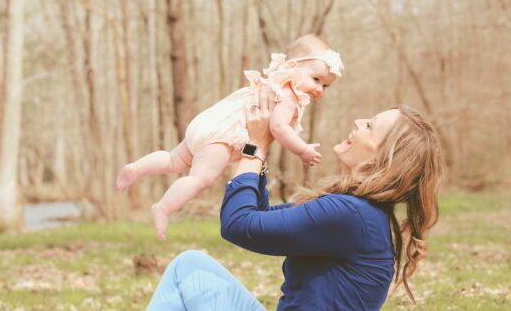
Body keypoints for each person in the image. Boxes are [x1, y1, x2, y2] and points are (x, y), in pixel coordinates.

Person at [146, 86, 443, 310]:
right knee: (191, 267)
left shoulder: (351, 215)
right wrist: (258, 154)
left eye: (370, 126)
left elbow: (238, 224)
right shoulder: (359, 213)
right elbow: (261, 222)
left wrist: (255, 146)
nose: (358, 121)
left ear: (382, 159)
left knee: (188, 269)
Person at [116, 35, 344, 240]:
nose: (320, 89)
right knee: (199, 179)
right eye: (316, 79)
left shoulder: (272, 82)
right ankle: (164, 207)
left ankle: (137, 168)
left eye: (326, 86)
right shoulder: (289, 96)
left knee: (173, 159)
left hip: (209, 122)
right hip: (222, 137)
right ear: (293, 67)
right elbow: (278, 128)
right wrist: (302, 150)